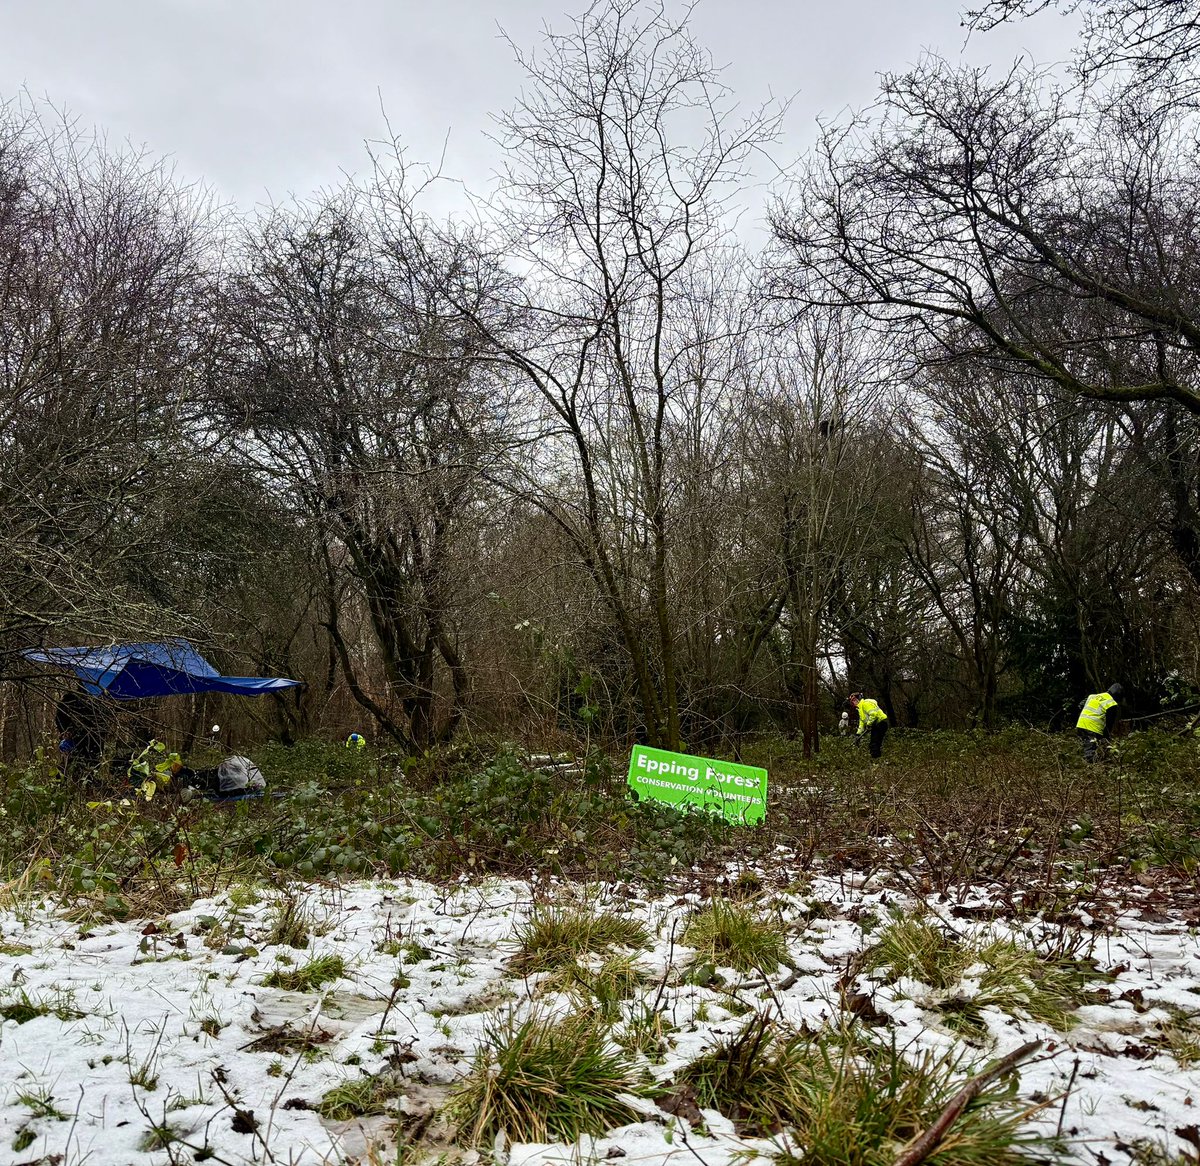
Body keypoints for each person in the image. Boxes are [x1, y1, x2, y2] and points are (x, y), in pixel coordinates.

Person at [1076, 683, 1123, 763]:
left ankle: (1082, 762)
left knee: (1085, 745)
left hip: (1081, 723)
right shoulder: (1111, 703)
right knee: (1090, 751)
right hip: (1092, 727)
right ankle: (1089, 767)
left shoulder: (1093, 696)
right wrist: (1106, 737)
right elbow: (1109, 723)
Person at [849, 692, 888, 759]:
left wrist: (868, 724)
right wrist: (858, 734)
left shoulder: (865, 704)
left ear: (857, 699)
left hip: (880, 723)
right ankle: (877, 758)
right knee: (874, 743)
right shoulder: (860, 708)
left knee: (874, 744)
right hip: (876, 725)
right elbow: (862, 722)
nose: (853, 703)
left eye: (853, 701)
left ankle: (877, 760)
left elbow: (873, 714)